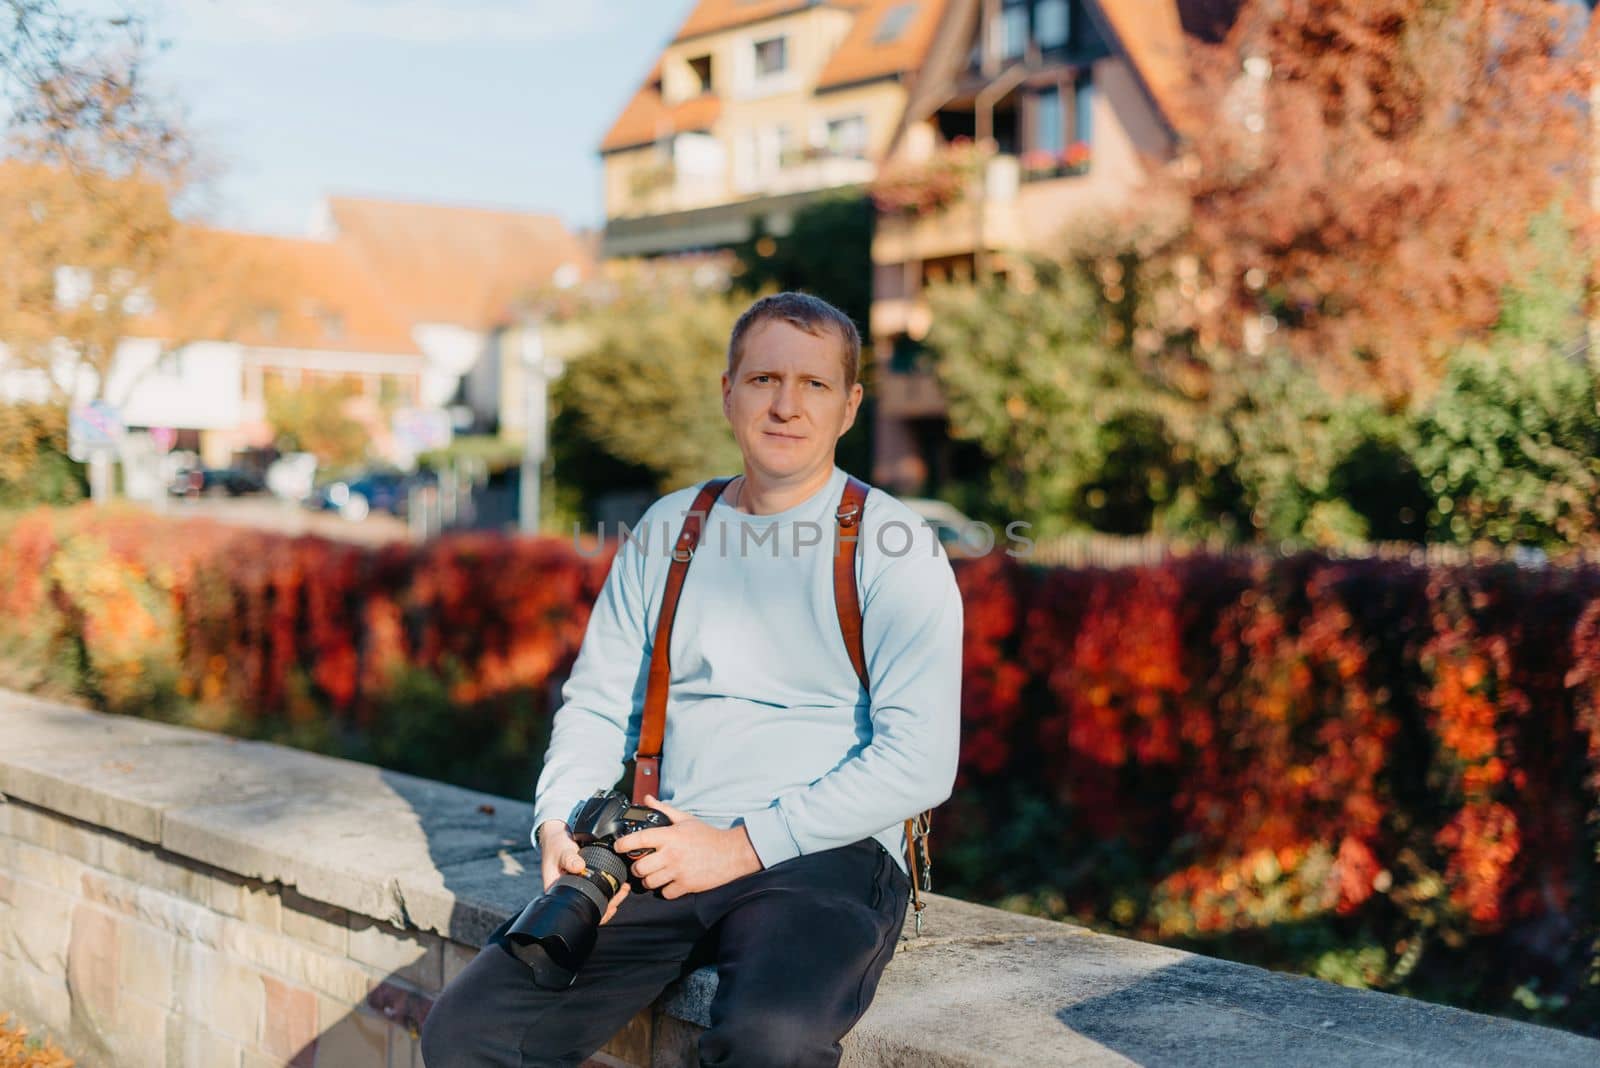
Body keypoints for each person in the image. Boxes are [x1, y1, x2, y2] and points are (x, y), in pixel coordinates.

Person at [421, 292, 963, 1067]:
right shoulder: (671, 529)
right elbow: (598, 702)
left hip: (827, 851)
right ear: (728, 393)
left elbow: (918, 762)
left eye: (813, 385)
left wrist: (740, 848)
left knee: (770, 1045)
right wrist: (555, 823)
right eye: (764, 378)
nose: (785, 405)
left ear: (849, 407)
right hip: (666, 839)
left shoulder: (894, 544)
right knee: (470, 1034)